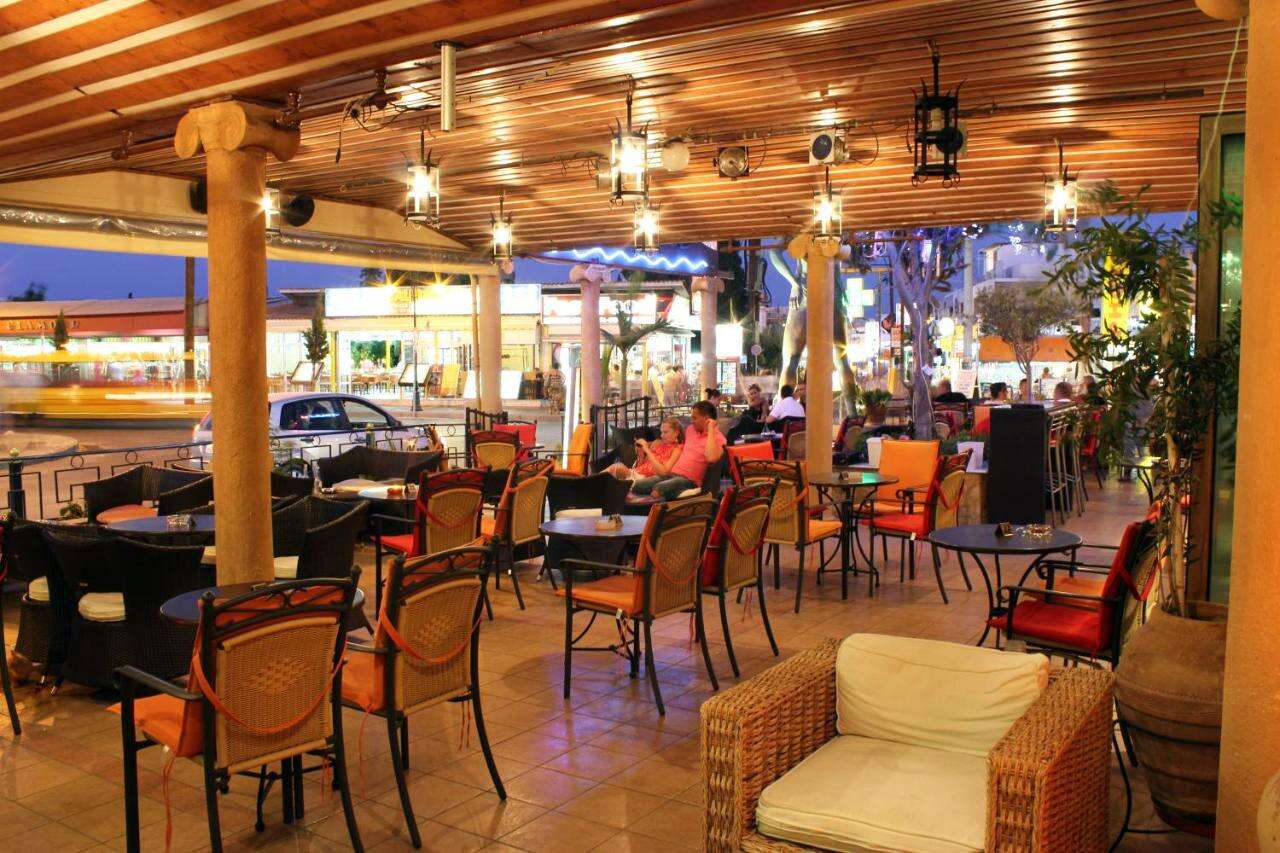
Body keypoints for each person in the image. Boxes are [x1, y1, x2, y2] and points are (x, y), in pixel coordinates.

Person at [631, 401, 726, 500]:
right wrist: (657, 442)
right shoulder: (690, 430)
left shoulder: (719, 438)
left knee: (658, 489)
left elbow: (711, 458)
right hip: (671, 474)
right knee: (637, 485)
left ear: (706, 419)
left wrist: (710, 429)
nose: (691, 421)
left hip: (689, 480)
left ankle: (656, 508)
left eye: (694, 418)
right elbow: (676, 438)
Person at [606, 417, 683, 481]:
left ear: (676, 432)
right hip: (636, 473)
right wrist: (641, 455)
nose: (662, 435)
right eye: (661, 432)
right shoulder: (659, 444)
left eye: (665, 432)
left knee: (617, 467)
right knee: (611, 474)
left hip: (646, 478)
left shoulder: (677, 449)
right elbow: (643, 465)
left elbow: (664, 472)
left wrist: (647, 450)